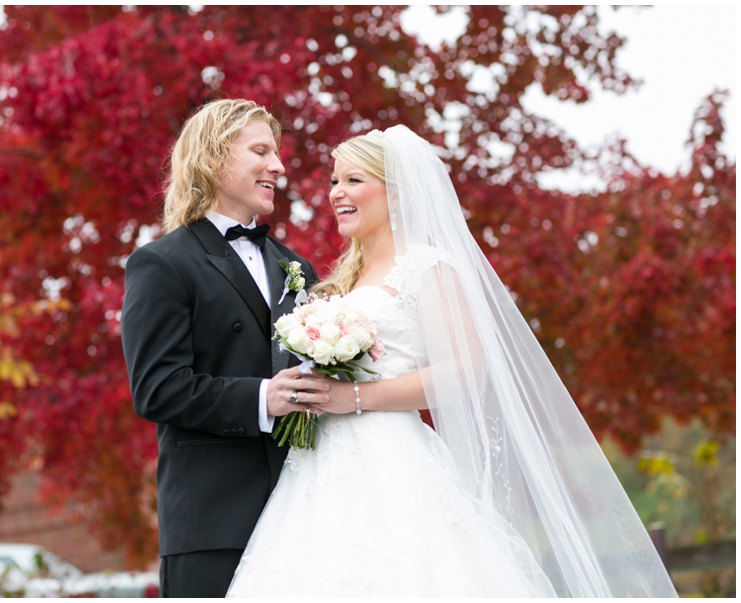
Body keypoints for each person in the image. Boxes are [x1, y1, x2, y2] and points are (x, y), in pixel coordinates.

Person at [227, 126, 677, 597]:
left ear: (397, 196)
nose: (337, 193)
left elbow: (465, 371)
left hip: (393, 458)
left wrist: (353, 396)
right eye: (335, 181)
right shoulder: (346, 277)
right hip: (318, 467)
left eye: (354, 180)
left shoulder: (430, 266)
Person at [121, 99, 326, 598]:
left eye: (276, 154)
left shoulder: (296, 269)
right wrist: (262, 399)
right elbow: (157, 389)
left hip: (307, 514)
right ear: (213, 159)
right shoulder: (161, 264)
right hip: (214, 526)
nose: (277, 166)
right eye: (260, 151)